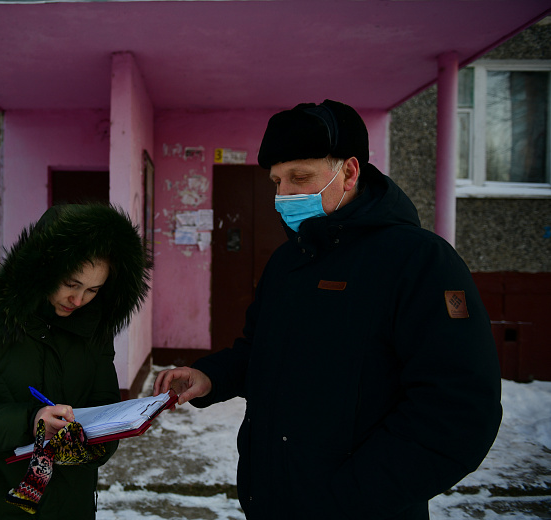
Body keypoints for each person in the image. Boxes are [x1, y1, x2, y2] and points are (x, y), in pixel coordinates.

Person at [154, 100, 502, 519]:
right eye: (277, 181)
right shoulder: (288, 262)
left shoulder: (419, 261)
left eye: (300, 177)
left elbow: (457, 412)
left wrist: (349, 497)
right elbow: (260, 351)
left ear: (350, 172)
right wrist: (209, 376)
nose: (283, 195)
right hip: (273, 504)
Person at [0, 203, 152, 519]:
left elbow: (104, 406)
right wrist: (28, 423)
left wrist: (94, 444)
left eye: (92, 290)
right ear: (44, 267)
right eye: (71, 284)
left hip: (71, 505)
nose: (78, 300)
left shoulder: (94, 328)